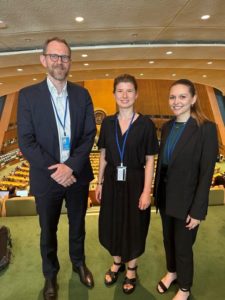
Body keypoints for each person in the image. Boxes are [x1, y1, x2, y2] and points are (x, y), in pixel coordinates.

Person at [17, 37, 96, 299]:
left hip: (77, 176)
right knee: (47, 231)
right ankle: (50, 276)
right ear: (43, 60)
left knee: (78, 226)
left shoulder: (82, 94)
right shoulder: (27, 96)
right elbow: (26, 141)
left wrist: (70, 167)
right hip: (46, 178)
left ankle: (78, 263)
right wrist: (57, 170)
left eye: (64, 57)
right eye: (54, 56)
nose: (60, 62)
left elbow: (89, 135)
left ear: (70, 62)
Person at [154, 79, 218, 300]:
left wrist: (198, 210)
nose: (176, 101)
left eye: (182, 96)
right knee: (168, 240)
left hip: (187, 201)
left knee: (183, 246)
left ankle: (184, 288)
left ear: (193, 99)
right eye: (172, 97)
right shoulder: (168, 127)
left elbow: (206, 172)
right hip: (165, 197)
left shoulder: (206, 129)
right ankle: (172, 273)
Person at [95, 74, 159, 294]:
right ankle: (116, 262)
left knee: (134, 225)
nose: (124, 95)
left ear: (136, 94)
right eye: (120, 91)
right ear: (114, 94)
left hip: (135, 181)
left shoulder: (146, 124)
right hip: (112, 181)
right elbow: (103, 153)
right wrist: (99, 181)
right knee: (111, 222)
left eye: (129, 90)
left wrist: (146, 191)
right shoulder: (108, 123)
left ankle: (131, 268)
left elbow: (150, 160)